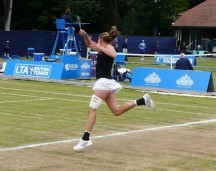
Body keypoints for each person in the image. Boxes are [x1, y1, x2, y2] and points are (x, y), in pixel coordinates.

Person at [73, 26, 156, 152]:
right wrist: (84, 35)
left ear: (101, 39)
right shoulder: (101, 48)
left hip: (105, 83)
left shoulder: (108, 47)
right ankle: (142, 101)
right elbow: (89, 44)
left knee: (92, 109)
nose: (96, 41)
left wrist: (99, 47)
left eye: (98, 39)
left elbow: (114, 54)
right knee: (117, 111)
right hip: (106, 83)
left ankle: (86, 138)